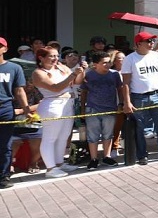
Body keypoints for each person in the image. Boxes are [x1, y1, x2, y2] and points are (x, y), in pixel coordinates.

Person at [121, 32, 158, 164]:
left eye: (152, 41)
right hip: (138, 97)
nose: (151, 43)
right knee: (140, 128)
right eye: (148, 41)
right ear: (138, 44)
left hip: (156, 95)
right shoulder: (129, 59)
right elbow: (125, 82)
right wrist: (127, 102)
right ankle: (142, 155)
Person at [32, 46, 84, 178]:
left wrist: (82, 71)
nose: (55, 58)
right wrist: (73, 74)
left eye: (56, 55)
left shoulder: (62, 68)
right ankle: (50, 168)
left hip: (68, 103)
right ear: (41, 58)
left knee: (63, 137)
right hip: (52, 105)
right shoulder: (38, 73)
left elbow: (76, 82)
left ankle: (59, 163)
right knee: (50, 138)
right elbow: (55, 88)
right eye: (51, 56)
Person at [80, 50, 124, 169]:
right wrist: (83, 109)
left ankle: (107, 156)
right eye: (104, 63)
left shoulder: (114, 74)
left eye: (109, 62)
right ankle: (94, 159)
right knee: (93, 136)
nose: (108, 65)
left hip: (110, 109)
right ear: (95, 64)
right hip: (92, 109)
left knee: (108, 134)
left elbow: (120, 89)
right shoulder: (89, 75)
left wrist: (120, 104)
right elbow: (84, 92)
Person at [0, 36, 31, 189]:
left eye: (0, 46)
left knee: (5, 144)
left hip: (5, 108)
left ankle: (4, 175)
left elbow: (19, 91)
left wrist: (26, 110)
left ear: (5, 49)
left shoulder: (14, 68)